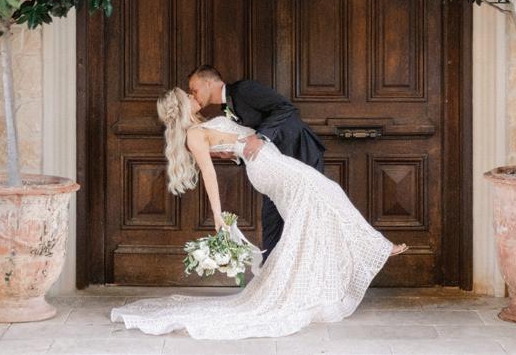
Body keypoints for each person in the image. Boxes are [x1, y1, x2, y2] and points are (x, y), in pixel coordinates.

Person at [110, 86, 408, 339]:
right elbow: (209, 175)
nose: (193, 95)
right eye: (187, 95)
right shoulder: (193, 136)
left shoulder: (203, 126)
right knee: (328, 192)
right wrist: (217, 215)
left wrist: (229, 148)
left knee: (311, 214)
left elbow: (230, 147)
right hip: (268, 166)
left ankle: (316, 283)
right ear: (182, 104)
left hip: (268, 162)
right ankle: (376, 246)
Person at [184, 65, 324, 260]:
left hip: (299, 152)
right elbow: (247, 141)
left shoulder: (244, 90)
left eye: (194, 89)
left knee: (306, 220)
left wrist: (261, 137)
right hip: (272, 168)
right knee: (271, 223)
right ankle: (272, 274)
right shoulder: (227, 108)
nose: (194, 95)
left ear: (207, 83)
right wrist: (233, 156)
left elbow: (286, 108)